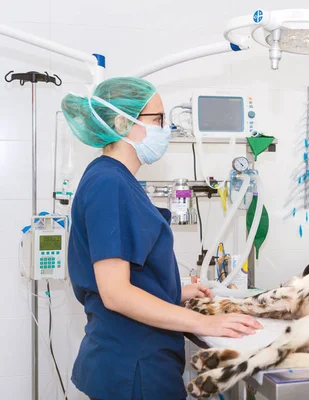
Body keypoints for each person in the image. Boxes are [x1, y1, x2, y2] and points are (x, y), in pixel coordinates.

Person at [62, 77, 262, 400]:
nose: (165, 129)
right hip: (132, 369)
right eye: (158, 120)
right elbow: (115, 293)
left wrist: (177, 291)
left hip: (135, 364)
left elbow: (131, 277)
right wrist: (204, 323)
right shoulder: (108, 184)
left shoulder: (116, 180)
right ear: (123, 123)